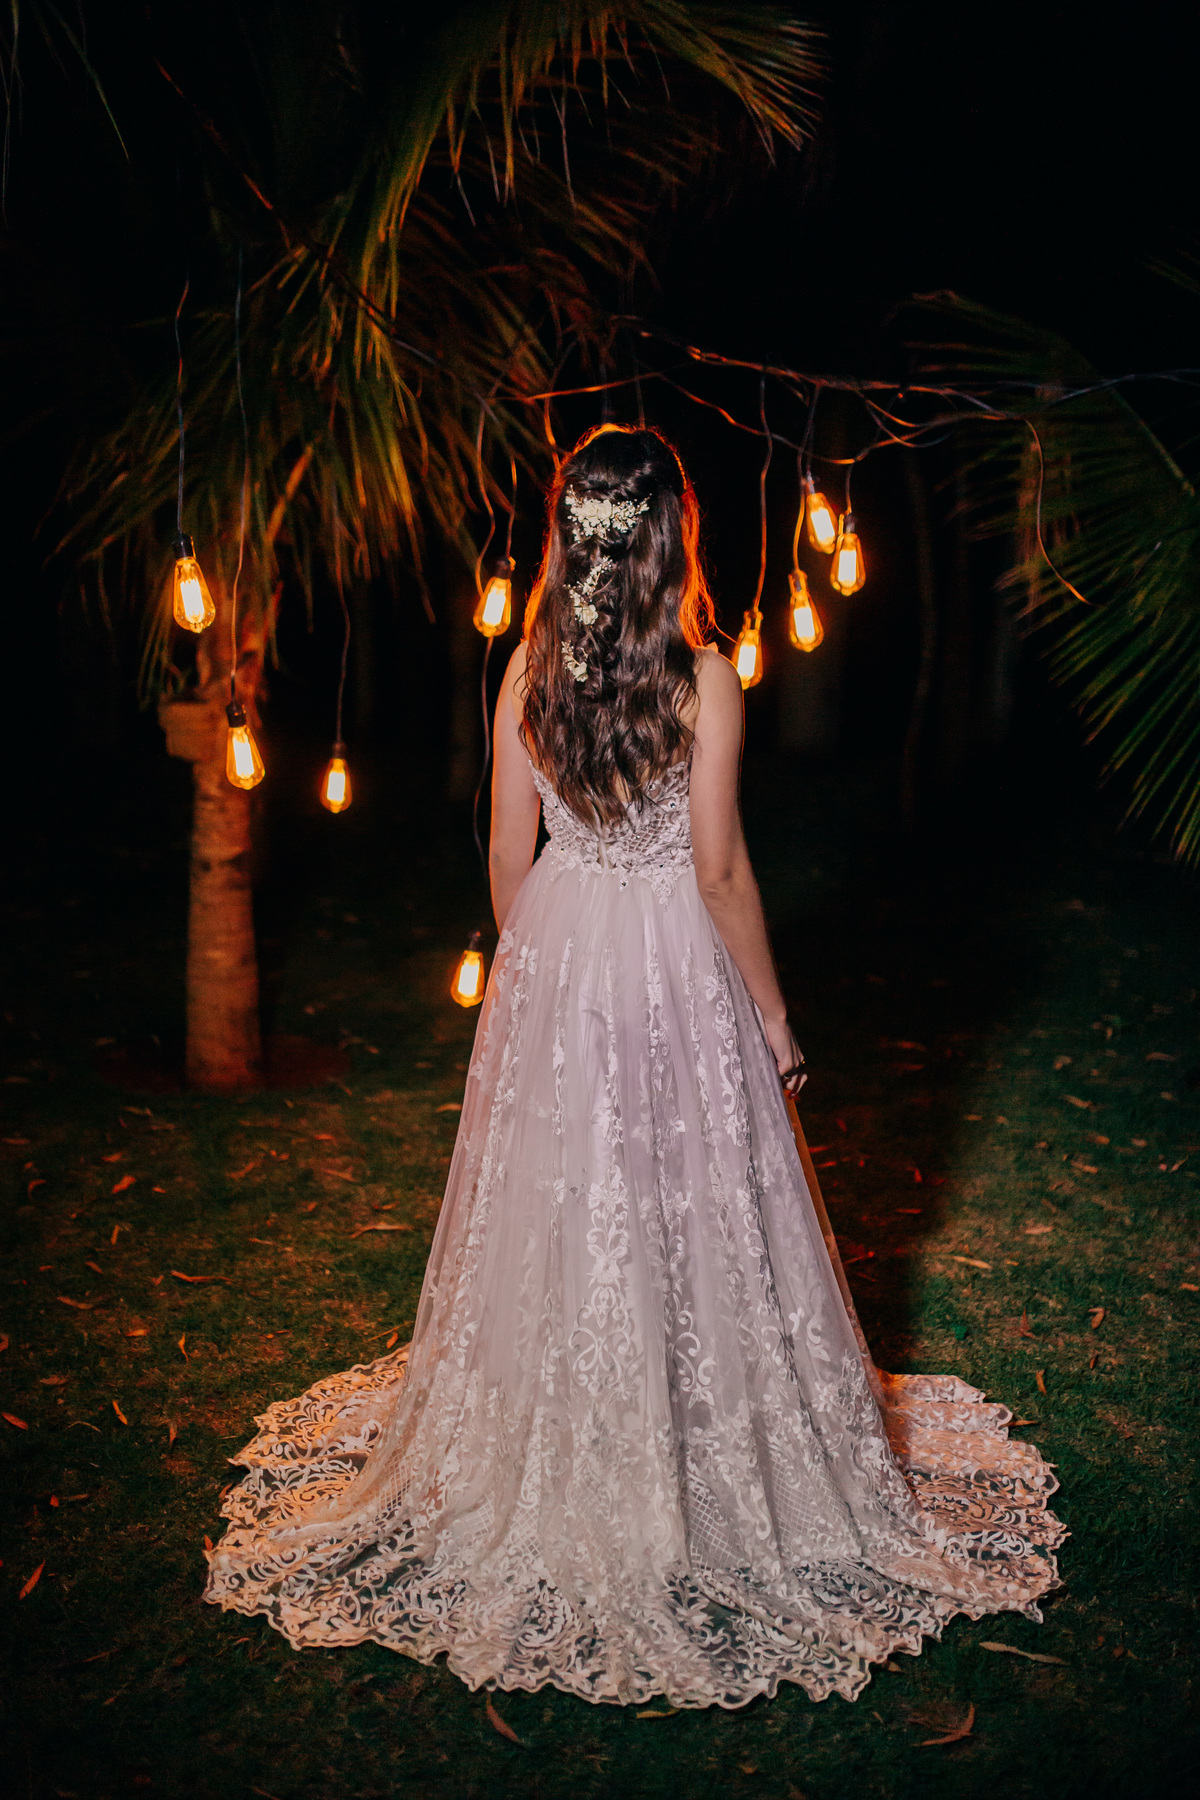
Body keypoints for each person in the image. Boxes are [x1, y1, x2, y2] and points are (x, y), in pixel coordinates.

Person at [205, 425, 1063, 1708]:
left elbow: (504, 855)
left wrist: (541, 965)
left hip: (557, 947)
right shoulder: (704, 678)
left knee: (565, 1204)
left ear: (568, 538)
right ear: (674, 542)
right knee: (684, 1194)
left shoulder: (524, 675)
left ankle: (572, 1442)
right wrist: (772, 1020)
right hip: (668, 952)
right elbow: (716, 869)